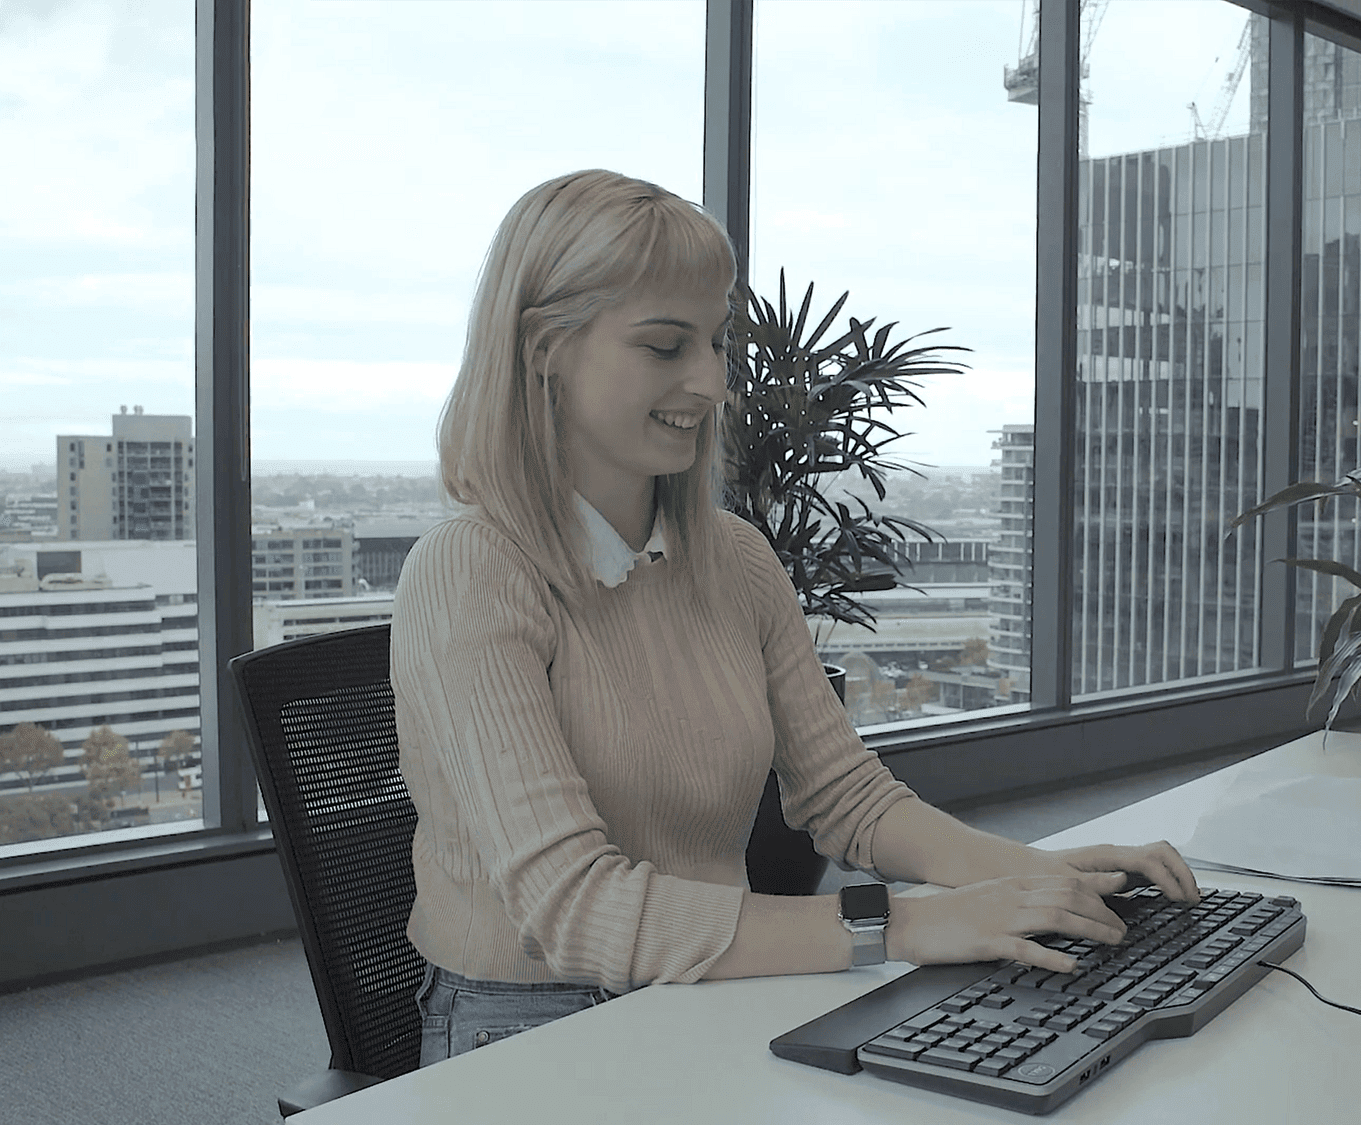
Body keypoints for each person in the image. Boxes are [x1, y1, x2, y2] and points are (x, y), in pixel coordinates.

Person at [393, 169, 1201, 1067]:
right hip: (530, 1028)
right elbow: (580, 908)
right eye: (666, 346)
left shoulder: (732, 558)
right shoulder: (471, 571)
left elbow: (845, 796)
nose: (710, 382)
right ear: (544, 348)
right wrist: (904, 923)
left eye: (714, 342)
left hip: (714, 982)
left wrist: (1034, 874)